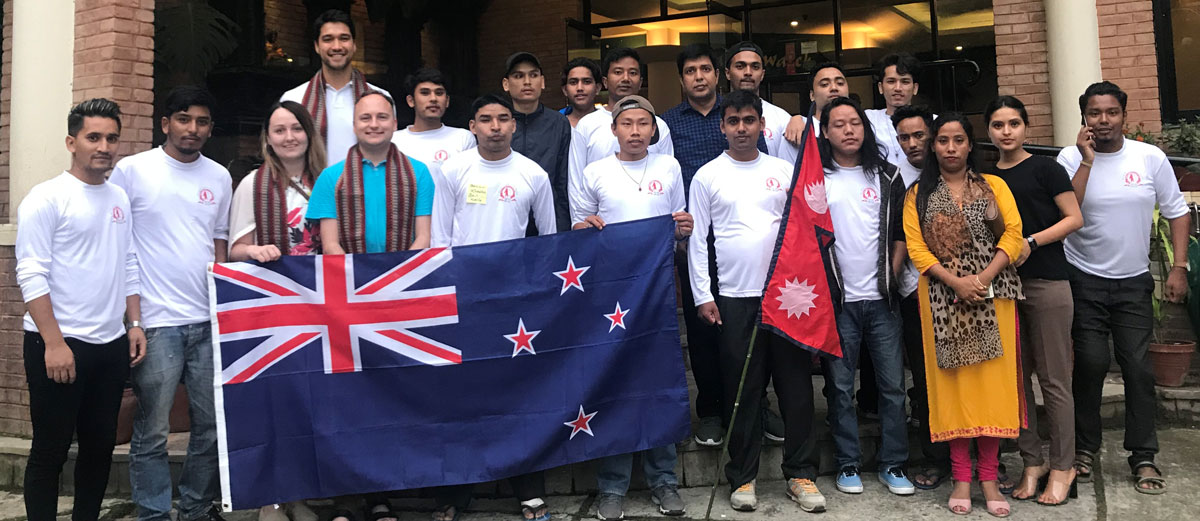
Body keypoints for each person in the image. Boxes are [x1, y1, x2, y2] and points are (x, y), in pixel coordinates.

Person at [690, 90, 825, 514]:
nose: (743, 128)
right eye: (734, 121)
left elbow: (806, 232)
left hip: (787, 297)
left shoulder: (784, 170)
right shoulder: (707, 176)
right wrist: (702, 295)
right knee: (742, 391)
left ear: (762, 126)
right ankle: (743, 477)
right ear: (723, 127)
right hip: (734, 297)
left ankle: (801, 474)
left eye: (750, 120)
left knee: (796, 389)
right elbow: (697, 241)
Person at [16, 98, 145, 521]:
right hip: (57, 344)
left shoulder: (119, 198)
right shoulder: (46, 198)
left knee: (99, 448)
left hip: (109, 345)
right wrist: (54, 343)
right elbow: (31, 274)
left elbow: (127, 262)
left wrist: (134, 323)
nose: (104, 145)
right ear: (72, 142)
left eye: (111, 137)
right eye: (93, 137)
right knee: (50, 451)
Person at [1059, 81, 1190, 495]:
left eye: (1111, 112)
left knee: (1138, 369)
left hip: (1133, 282)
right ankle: (1085, 449)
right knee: (1092, 363)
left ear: (1124, 116)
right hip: (1083, 278)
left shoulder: (1149, 158)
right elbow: (1068, 210)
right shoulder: (1069, 158)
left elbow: (1177, 212)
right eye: (1095, 113)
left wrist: (1179, 267)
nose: (1103, 120)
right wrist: (1086, 160)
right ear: (1085, 118)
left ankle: (1143, 455)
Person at [429, 94, 555, 521]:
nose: (496, 126)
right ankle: (457, 492)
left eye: (504, 119)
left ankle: (529, 490)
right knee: (463, 394)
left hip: (516, 302)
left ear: (514, 126)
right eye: (486, 120)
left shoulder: (533, 174)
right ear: (472, 126)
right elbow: (439, 239)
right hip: (464, 299)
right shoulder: (452, 171)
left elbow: (550, 242)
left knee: (521, 394)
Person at [110, 85, 232, 521]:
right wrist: (133, 318)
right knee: (153, 429)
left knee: (210, 426)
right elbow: (118, 244)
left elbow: (218, 242)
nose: (192, 129)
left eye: (201, 122)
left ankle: (196, 509)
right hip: (156, 322)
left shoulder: (219, 176)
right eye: (183, 119)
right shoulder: (132, 170)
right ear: (165, 124)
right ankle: (154, 513)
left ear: (210, 129)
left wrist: (224, 306)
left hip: (207, 321)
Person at [569, 95, 691, 520]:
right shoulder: (595, 171)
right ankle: (612, 487)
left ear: (654, 131)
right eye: (628, 124)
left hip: (657, 293)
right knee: (615, 384)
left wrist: (684, 229)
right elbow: (579, 227)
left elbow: (678, 227)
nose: (636, 131)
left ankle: (664, 481)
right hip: (611, 297)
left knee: (659, 383)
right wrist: (585, 226)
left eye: (644, 123)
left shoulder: (669, 167)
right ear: (614, 130)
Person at [902, 113, 1024, 517]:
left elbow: (1012, 233)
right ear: (933, 147)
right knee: (955, 390)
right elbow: (917, 250)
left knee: (991, 388)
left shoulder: (995, 187)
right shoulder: (917, 193)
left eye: (958, 140)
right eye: (942, 141)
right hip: (942, 299)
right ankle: (960, 478)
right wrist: (956, 282)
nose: (950, 148)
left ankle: (989, 478)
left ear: (971, 145)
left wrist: (983, 277)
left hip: (994, 296)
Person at [661, 44, 777, 448]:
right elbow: (661, 173)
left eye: (705, 69)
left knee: (754, 329)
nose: (699, 76)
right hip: (695, 239)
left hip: (742, 241)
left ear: (718, 74)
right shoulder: (667, 123)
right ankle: (711, 409)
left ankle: (755, 405)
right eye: (690, 70)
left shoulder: (739, 113)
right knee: (703, 328)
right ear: (682, 79)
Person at [985, 95, 1084, 506]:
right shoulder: (985, 176)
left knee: (1054, 380)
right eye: (997, 125)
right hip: (1004, 287)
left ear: (1026, 127)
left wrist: (1031, 241)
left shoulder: (1046, 167)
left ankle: (1063, 466)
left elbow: (1074, 218)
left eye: (1013, 123)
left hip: (1046, 281)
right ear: (988, 131)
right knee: (1015, 380)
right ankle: (1032, 461)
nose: (1006, 131)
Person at [817, 96, 914, 497]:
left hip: (881, 301)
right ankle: (847, 463)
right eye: (838, 124)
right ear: (825, 132)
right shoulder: (815, 178)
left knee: (892, 386)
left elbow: (901, 234)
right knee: (839, 389)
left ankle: (894, 463)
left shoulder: (889, 176)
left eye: (855, 123)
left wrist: (889, 276)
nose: (848, 130)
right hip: (838, 303)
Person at [888, 105, 951, 490]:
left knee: (964, 376)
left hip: (963, 294)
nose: (912, 144)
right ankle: (937, 457)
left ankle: (979, 453)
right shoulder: (895, 180)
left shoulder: (956, 176)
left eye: (919, 136)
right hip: (915, 293)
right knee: (927, 380)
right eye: (904, 138)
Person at [307, 91, 434, 255]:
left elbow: (423, 237)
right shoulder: (330, 177)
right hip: (350, 275)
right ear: (354, 125)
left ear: (395, 124)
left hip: (405, 275)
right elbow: (330, 245)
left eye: (382, 117)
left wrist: (400, 276)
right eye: (365, 118)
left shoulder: (419, 173)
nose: (374, 125)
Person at [281, 9, 391, 161]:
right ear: (317, 47)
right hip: (312, 184)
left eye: (344, 38)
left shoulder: (381, 99)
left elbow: (389, 155)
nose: (337, 46)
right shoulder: (293, 99)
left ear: (354, 45)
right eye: (328, 39)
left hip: (366, 184)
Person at [568, 48, 675, 201]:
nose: (626, 78)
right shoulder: (587, 125)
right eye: (618, 72)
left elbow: (668, 177)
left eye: (632, 73)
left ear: (641, 82)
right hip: (600, 220)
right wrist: (580, 221)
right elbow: (576, 181)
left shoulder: (659, 126)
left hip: (650, 216)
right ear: (605, 81)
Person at [229, 101, 326, 265]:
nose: (289, 137)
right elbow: (235, 251)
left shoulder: (327, 182)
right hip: (274, 285)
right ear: (268, 138)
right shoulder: (251, 185)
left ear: (309, 134)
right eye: (279, 131)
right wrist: (254, 250)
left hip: (321, 284)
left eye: (297, 129)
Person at [504, 51, 572, 232]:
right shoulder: (498, 122)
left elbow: (563, 179)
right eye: (518, 76)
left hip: (548, 218)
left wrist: (563, 226)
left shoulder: (558, 122)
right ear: (506, 84)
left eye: (533, 75)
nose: (527, 82)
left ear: (542, 82)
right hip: (505, 214)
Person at [390, 68, 476, 169]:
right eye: (425, 93)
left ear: (447, 101)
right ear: (411, 100)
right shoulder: (394, 141)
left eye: (439, 93)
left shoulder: (463, 138)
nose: (433, 99)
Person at [724, 41, 793, 158]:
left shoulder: (782, 119)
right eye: (740, 66)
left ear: (762, 74)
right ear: (727, 73)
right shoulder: (718, 115)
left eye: (755, 67)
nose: (748, 72)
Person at [866, 53, 921, 167]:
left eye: (905, 81)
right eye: (891, 81)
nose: (898, 88)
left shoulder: (931, 120)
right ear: (880, 87)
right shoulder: (868, 119)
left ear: (915, 88)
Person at [782, 62, 848, 146]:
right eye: (824, 84)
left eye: (840, 83)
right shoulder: (798, 132)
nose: (834, 88)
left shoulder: (867, 120)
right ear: (812, 95)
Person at [560, 57, 601, 127]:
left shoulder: (610, 122)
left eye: (587, 82)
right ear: (565, 90)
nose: (580, 88)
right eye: (573, 82)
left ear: (597, 88)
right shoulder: (554, 124)